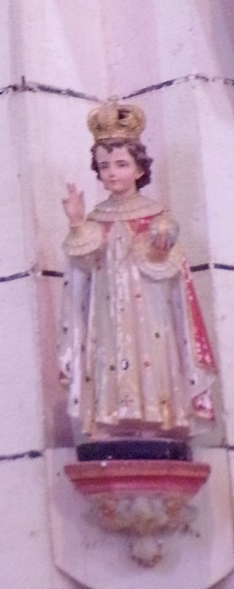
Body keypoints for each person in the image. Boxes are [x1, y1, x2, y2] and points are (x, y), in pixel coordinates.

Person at [58, 101, 217, 441]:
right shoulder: (96, 219)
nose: (112, 172)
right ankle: (109, 418)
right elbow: (82, 270)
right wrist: (75, 221)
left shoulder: (156, 215)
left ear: (139, 169)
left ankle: (159, 417)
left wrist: (162, 244)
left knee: (153, 357)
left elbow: (170, 267)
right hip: (106, 316)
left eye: (120, 164)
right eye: (104, 166)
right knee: (107, 358)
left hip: (150, 316)